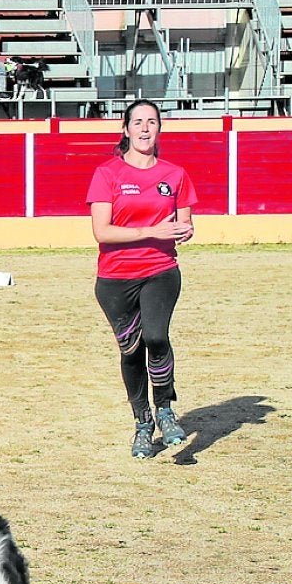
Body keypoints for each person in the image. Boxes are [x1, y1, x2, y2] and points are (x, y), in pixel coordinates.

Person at [86, 99, 196, 459]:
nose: (145, 128)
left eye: (152, 121)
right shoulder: (107, 174)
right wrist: (153, 229)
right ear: (126, 129)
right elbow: (102, 232)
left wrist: (183, 231)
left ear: (159, 128)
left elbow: (183, 223)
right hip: (115, 279)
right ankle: (142, 422)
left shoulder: (175, 174)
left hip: (161, 270)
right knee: (130, 350)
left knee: (156, 336)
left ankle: (165, 409)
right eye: (138, 122)